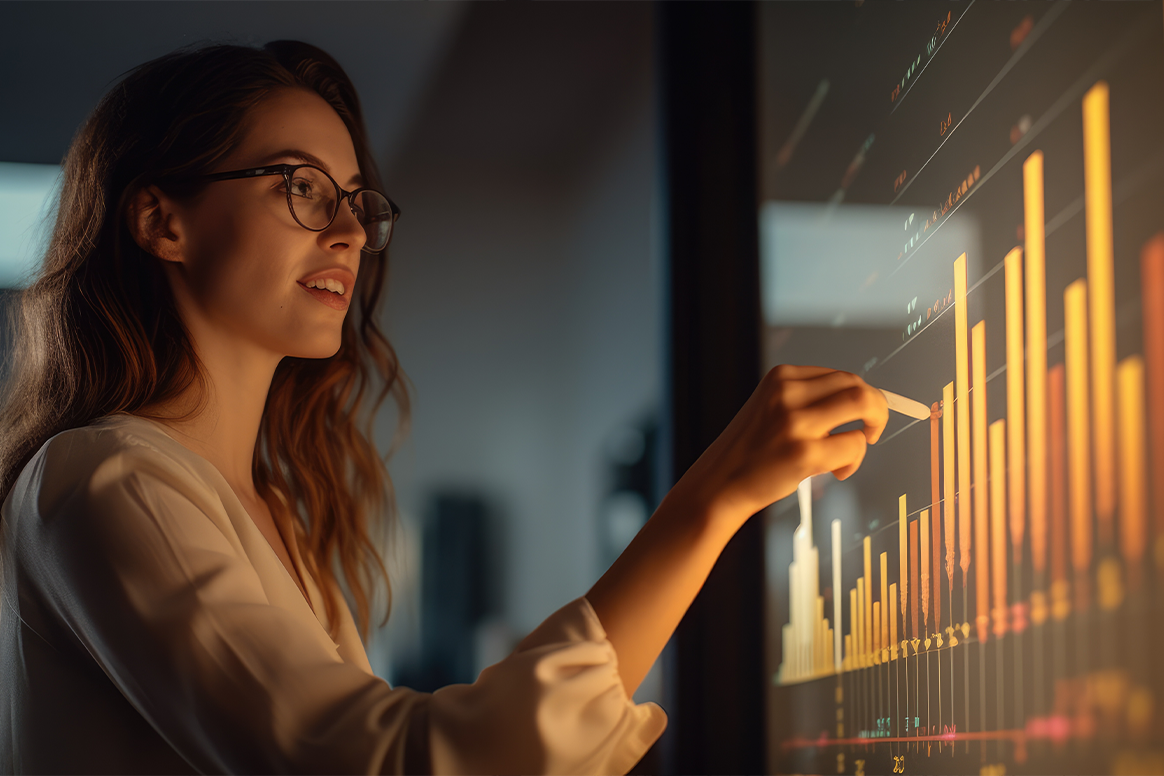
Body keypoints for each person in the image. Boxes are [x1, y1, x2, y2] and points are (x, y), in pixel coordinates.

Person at [0, 40, 888, 775]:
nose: (347, 229)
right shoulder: (103, 477)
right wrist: (713, 495)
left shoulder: (273, 517)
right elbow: (394, 767)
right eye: (301, 187)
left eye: (354, 200)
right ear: (163, 221)